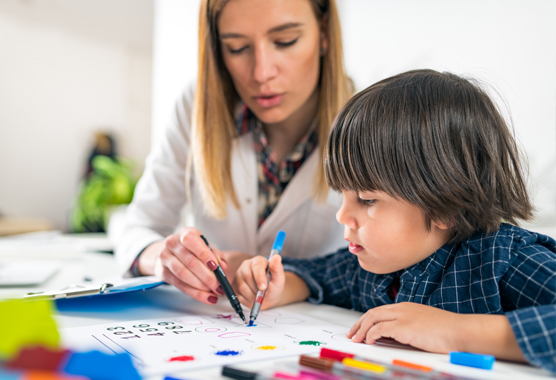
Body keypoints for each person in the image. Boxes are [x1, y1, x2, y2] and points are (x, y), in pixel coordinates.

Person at [233, 70, 556, 373]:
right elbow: (319, 276)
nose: (342, 215)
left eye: (367, 200)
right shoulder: (373, 263)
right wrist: (279, 286)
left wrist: (455, 332)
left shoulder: (507, 260)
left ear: (446, 206)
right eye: (342, 195)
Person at [116, 0, 352, 306]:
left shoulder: (375, 123)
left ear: (323, 34)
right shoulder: (196, 108)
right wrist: (165, 260)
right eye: (237, 47)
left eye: (285, 41)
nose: (261, 72)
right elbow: (137, 228)